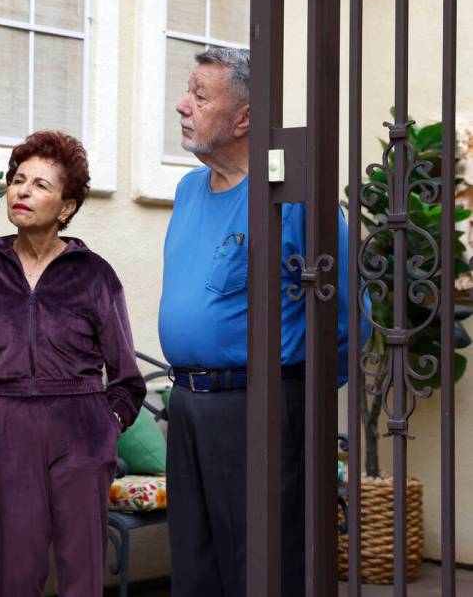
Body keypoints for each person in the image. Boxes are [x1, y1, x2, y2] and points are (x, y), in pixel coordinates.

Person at [159, 47, 368, 597]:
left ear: (244, 118)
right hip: (186, 404)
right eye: (188, 91)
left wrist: (293, 395)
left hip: (258, 407)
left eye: (201, 97)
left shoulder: (291, 199)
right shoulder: (185, 192)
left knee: (260, 568)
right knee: (194, 564)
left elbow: (349, 317)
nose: (182, 105)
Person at [0, 130, 147, 596]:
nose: (22, 191)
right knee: (14, 576)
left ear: (66, 207)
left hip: (81, 429)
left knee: (82, 576)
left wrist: (105, 423)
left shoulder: (95, 275)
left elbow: (126, 378)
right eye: (18, 180)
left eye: (41, 184)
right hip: (4, 428)